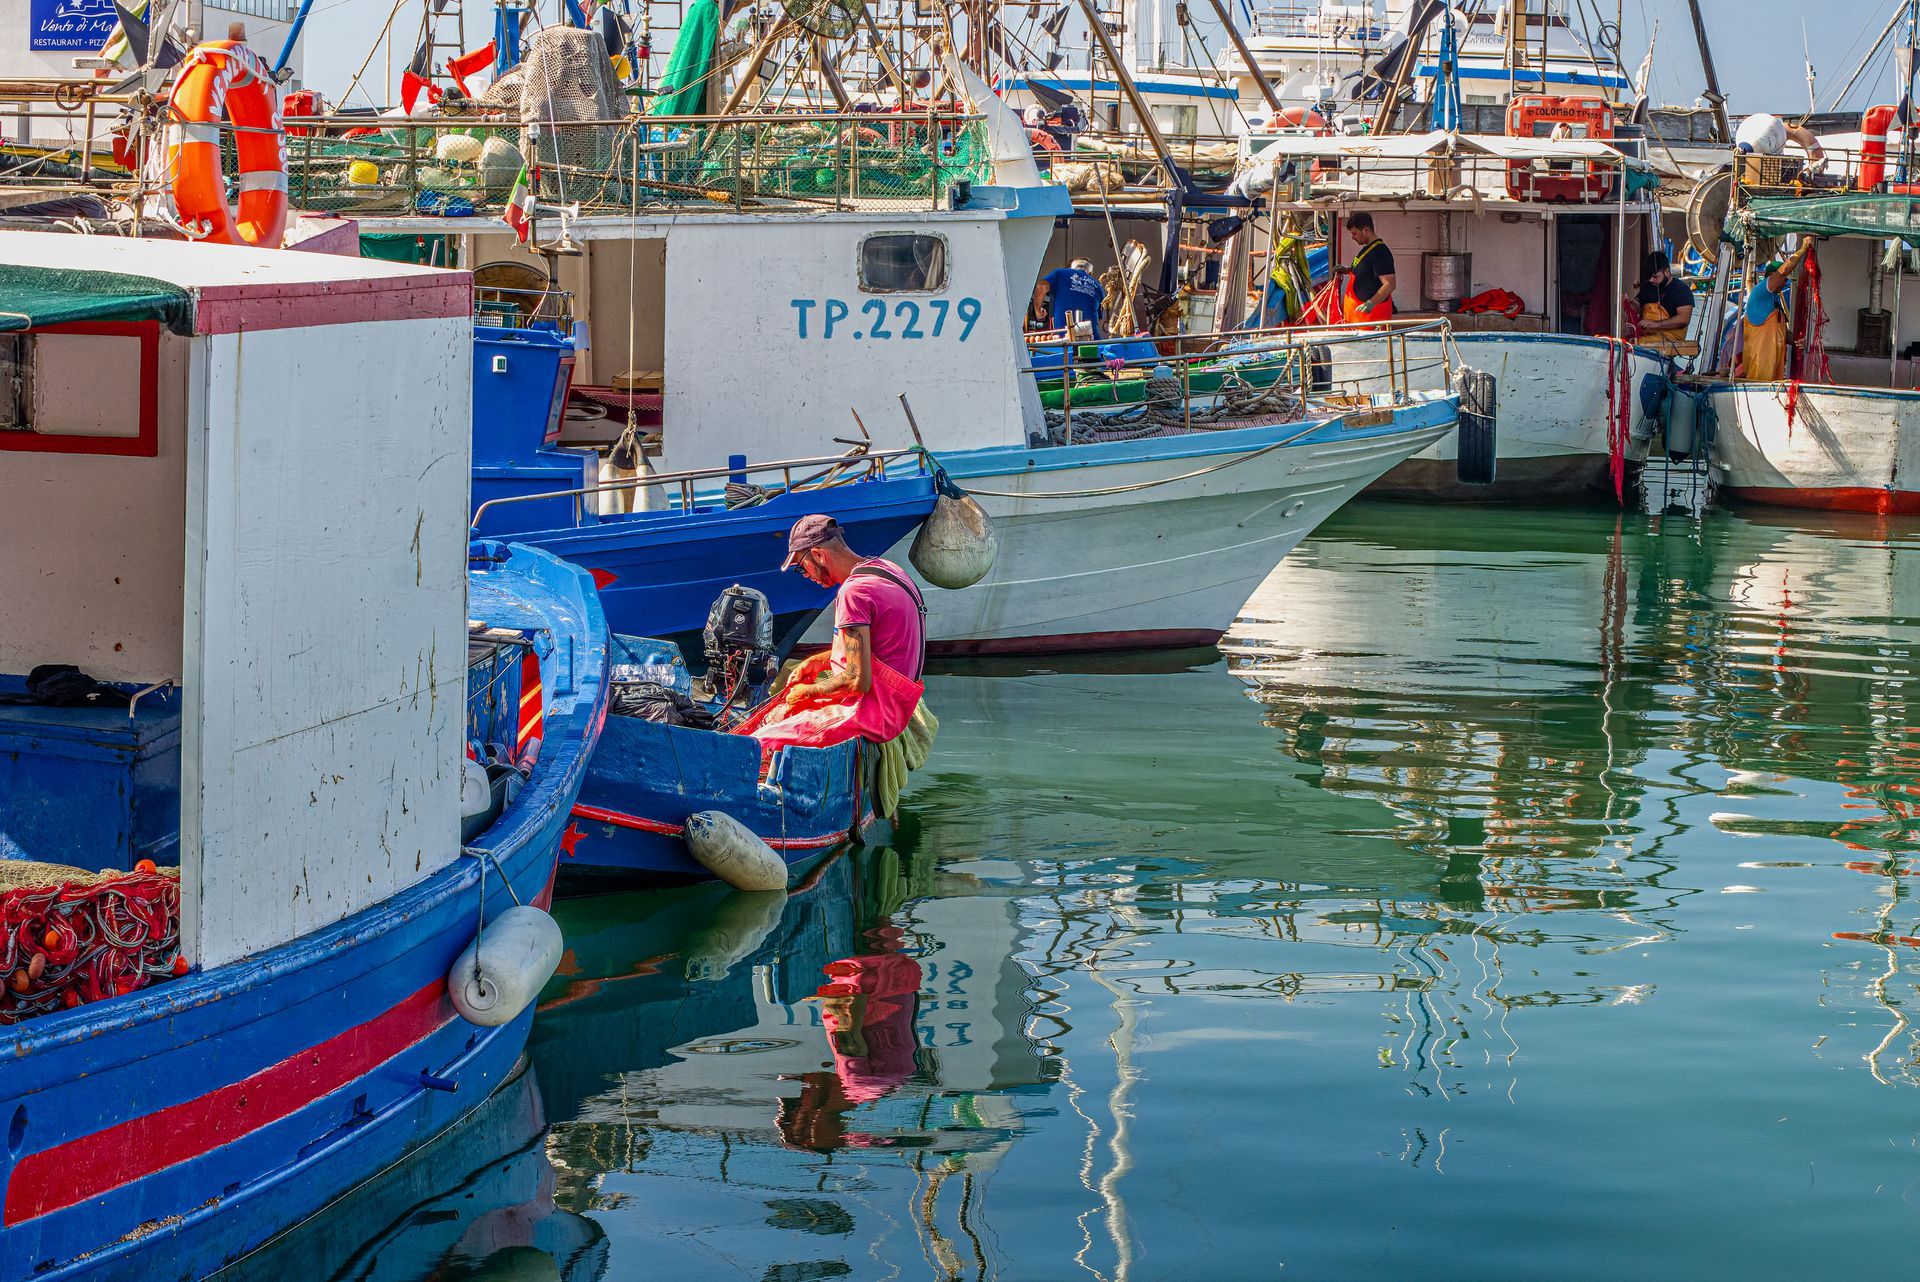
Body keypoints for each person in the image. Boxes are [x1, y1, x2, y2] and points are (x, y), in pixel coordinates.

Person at [780, 514, 926, 704]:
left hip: (880, 708)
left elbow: (856, 681)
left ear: (818, 555)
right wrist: (817, 661)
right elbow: (878, 649)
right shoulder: (887, 569)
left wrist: (805, 691)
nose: (805, 575)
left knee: (770, 728)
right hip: (901, 698)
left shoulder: (853, 592)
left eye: (801, 567)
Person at [1737, 238, 1815, 382]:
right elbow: (1784, 271)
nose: (1785, 283)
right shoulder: (1761, 291)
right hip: (1758, 372)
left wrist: (1797, 340)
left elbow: (1782, 333)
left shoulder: (1774, 301)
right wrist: (1802, 250)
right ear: (1772, 276)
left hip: (1773, 374)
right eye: (1783, 279)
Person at [1340, 211, 1395, 323]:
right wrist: (1347, 270)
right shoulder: (1368, 249)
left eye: (1354, 234)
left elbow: (1390, 284)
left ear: (1366, 231)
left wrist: (1371, 303)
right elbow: (1366, 272)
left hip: (1371, 318)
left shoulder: (1380, 252)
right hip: (1358, 318)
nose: (1352, 238)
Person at [1634, 251, 1694, 336]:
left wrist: (1655, 324)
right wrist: (1629, 304)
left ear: (1667, 272)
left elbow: (1684, 319)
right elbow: (1637, 304)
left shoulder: (1682, 290)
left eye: (1655, 276)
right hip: (1646, 337)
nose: (1651, 280)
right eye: (1649, 277)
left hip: (1671, 342)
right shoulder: (1648, 287)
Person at [1043, 258, 1105, 337]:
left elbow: (1052, 317)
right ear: (1090, 274)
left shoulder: (1060, 276)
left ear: (1071, 269)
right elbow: (1099, 319)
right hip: (1091, 341)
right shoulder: (1099, 288)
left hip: (1063, 339)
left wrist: (1037, 310)